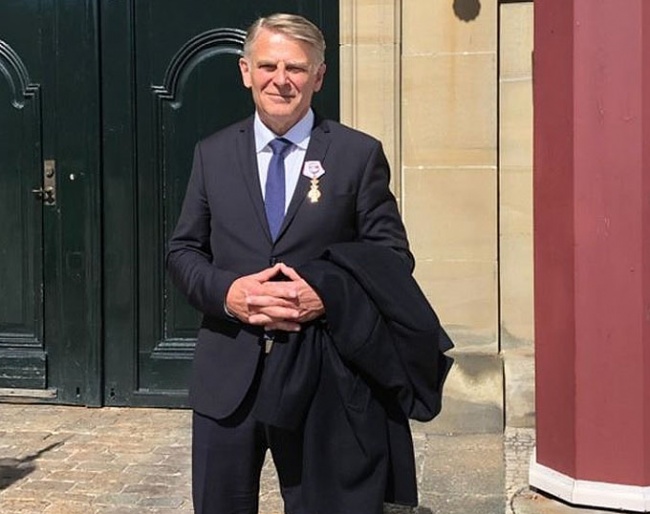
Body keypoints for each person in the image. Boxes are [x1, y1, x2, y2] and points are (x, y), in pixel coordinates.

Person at [167, 12, 450, 514]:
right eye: (269, 65)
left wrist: (327, 293)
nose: (281, 80)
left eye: (296, 68)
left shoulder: (357, 155)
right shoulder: (212, 154)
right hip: (230, 374)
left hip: (323, 374)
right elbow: (184, 251)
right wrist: (228, 294)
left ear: (319, 76)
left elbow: (392, 257)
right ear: (245, 71)